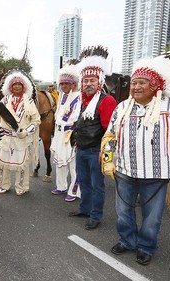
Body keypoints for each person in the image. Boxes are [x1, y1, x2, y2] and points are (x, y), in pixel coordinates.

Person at [101, 54, 170, 265]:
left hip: (157, 175)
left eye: (142, 83)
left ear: (155, 85)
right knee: (122, 212)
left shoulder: (167, 108)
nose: (136, 87)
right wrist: (107, 160)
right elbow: (110, 136)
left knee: (152, 217)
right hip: (125, 170)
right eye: (134, 83)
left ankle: (146, 246)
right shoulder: (122, 108)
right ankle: (127, 240)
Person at [69, 46, 117, 230]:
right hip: (81, 150)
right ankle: (85, 209)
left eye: (92, 80)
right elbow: (78, 125)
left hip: (97, 152)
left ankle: (96, 216)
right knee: (83, 181)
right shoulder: (81, 101)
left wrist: (107, 157)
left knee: (98, 185)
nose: (88, 84)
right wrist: (76, 143)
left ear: (99, 82)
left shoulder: (107, 101)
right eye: (85, 80)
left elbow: (111, 132)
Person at [0, 70, 40, 196]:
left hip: (21, 137)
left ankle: (21, 186)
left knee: (21, 163)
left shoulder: (29, 101)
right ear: (10, 87)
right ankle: (3, 185)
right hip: (6, 136)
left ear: (23, 86)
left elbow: (36, 120)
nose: (16, 86)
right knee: (3, 162)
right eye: (14, 84)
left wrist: (26, 131)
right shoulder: (4, 100)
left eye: (19, 84)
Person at [50, 63, 81, 202]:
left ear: (73, 84)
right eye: (61, 84)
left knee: (73, 164)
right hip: (59, 133)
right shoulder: (62, 96)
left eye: (66, 84)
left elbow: (75, 117)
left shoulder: (78, 97)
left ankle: (74, 191)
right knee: (59, 162)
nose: (63, 87)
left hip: (70, 134)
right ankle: (61, 186)